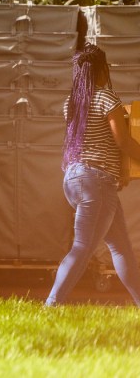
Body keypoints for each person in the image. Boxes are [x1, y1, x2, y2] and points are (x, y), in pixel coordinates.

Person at [46, 43, 140, 306]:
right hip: (95, 181)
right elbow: (122, 141)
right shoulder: (107, 98)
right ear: (102, 69)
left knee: (121, 248)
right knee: (83, 247)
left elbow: (93, 142)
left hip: (76, 180)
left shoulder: (72, 104)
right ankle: (51, 305)